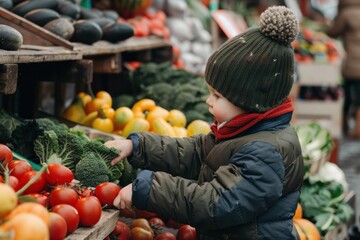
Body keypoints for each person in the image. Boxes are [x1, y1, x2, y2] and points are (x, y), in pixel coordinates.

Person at [105, 6, 304, 240]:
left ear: (250, 101)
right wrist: (137, 147)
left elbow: (215, 203)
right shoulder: (243, 132)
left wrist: (148, 190)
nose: (208, 100)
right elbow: (195, 153)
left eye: (217, 95)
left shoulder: (265, 153)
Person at [325, 0, 360, 138]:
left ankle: (345, 124)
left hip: (352, 62)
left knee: (347, 93)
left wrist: (326, 27)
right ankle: (357, 127)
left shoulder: (346, 13)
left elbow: (334, 32)